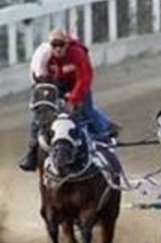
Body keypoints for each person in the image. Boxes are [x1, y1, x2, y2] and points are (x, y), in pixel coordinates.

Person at [19, 28, 116, 172]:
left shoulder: (78, 54)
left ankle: (105, 138)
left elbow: (84, 78)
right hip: (56, 85)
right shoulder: (44, 56)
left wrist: (73, 100)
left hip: (78, 84)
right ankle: (32, 151)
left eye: (61, 45)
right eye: (54, 45)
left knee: (85, 111)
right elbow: (40, 80)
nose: (57, 49)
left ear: (67, 44)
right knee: (40, 116)